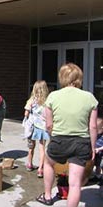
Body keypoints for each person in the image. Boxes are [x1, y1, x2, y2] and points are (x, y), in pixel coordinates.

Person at [37, 63, 98, 207]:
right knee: (75, 184)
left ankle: (47, 196)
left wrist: (53, 137)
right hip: (81, 143)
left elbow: (49, 125)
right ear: (79, 78)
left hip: (59, 140)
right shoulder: (89, 97)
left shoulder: (53, 96)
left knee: (48, 163)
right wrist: (93, 147)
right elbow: (93, 126)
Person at [23, 80, 50, 178]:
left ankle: (29, 164)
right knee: (42, 148)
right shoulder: (47, 102)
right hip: (43, 128)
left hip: (32, 127)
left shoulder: (31, 101)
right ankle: (40, 169)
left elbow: (26, 113)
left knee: (31, 147)